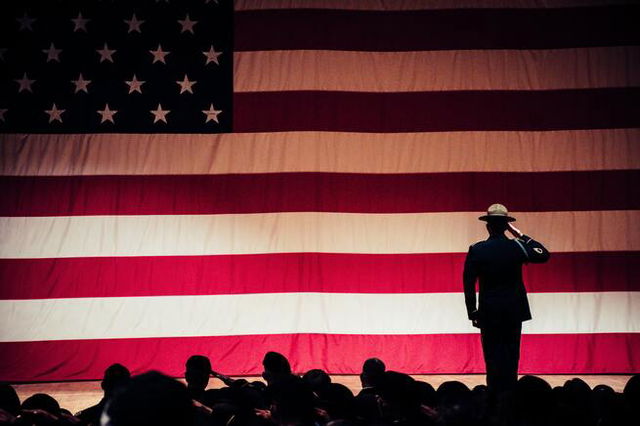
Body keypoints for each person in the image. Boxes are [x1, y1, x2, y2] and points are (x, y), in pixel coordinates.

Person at [463, 203, 549, 404]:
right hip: (513, 311)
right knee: (511, 355)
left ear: (488, 226)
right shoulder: (516, 247)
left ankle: (494, 397)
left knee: (492, 357)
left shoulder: (478, 249)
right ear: (506, 226)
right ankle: (511, 398)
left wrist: (472, 311)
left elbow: (468, 283)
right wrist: (520, 235)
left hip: (489, 311)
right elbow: (543, 254)